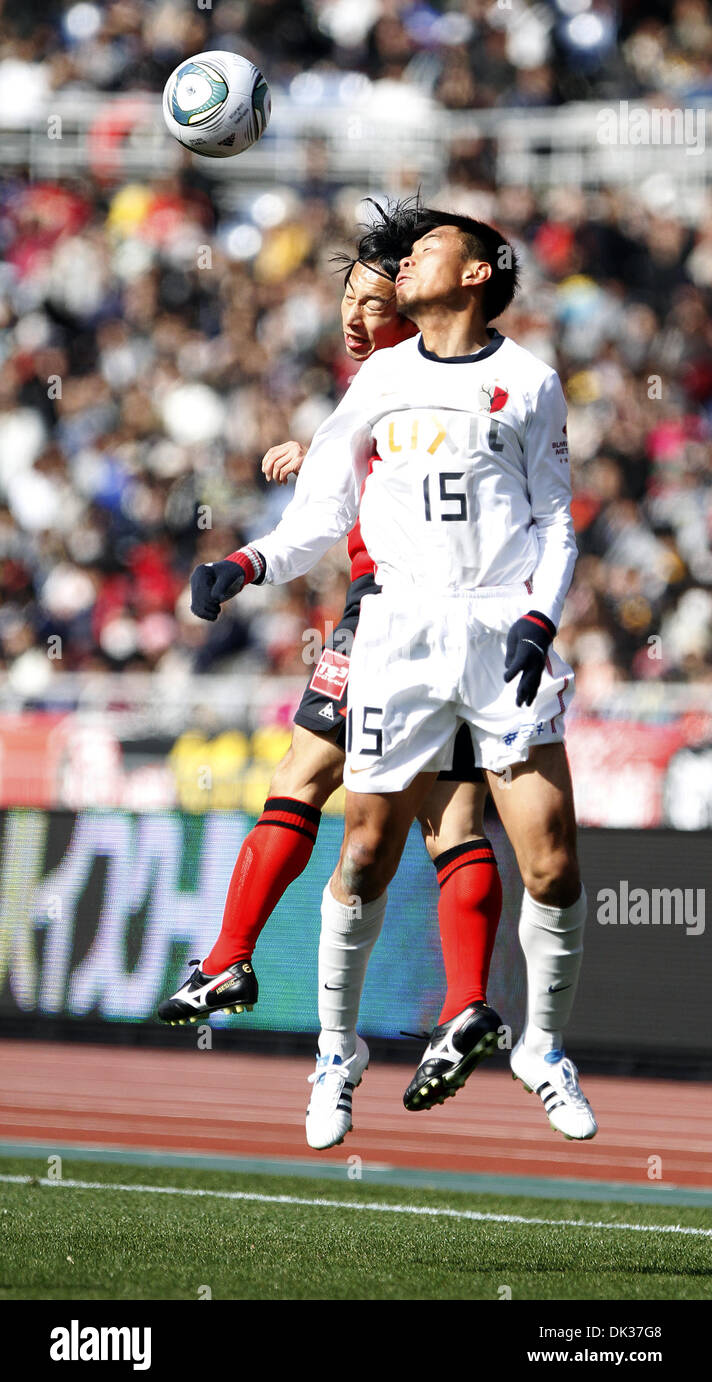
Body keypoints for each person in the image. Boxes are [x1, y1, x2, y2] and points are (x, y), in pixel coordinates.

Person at [159, 203, 505, 1148]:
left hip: (456, 624)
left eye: (375, 300)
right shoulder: (373, 389)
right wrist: (252, 552)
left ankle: (441, 1022)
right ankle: (281, 998)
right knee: (323, 800)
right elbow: (330, 501)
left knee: (425, 830)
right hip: (378, 617)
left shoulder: (476, 383)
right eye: (349, 299)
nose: (354, 318)